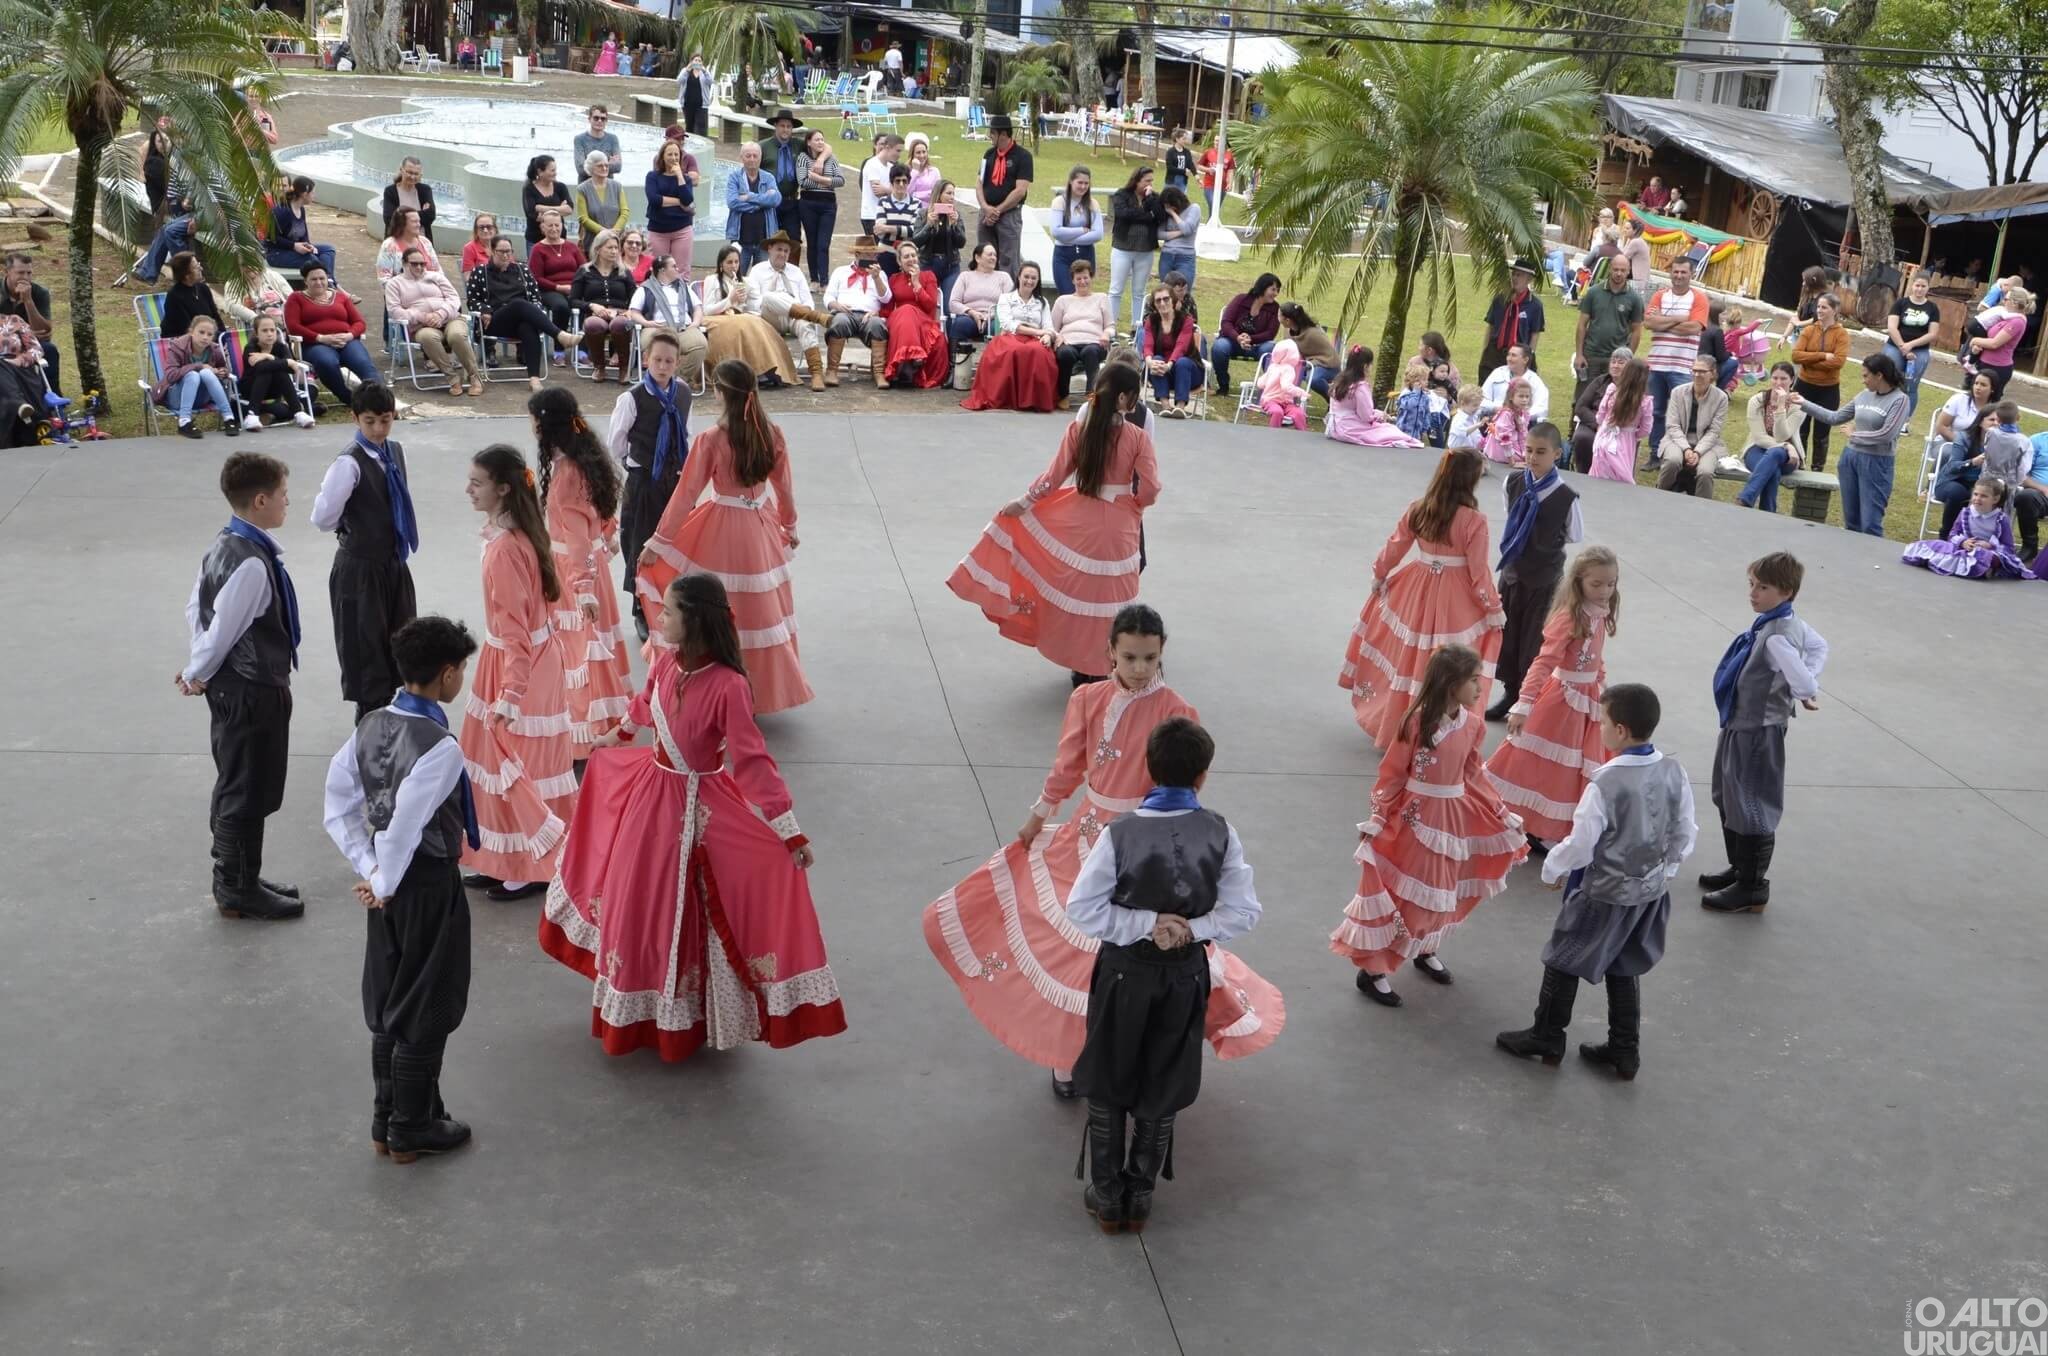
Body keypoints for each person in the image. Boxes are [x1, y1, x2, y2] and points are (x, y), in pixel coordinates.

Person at [921, 607, 1282, 1103]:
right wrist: (1038, 813)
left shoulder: (1177, 709)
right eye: (1130, 656)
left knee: (1122, 957)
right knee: (1069, 949)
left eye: (1150, 658)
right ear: (1110, 650)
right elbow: (1068, 764)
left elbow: (1182, 785)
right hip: (1085, 834)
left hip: (1143, 848)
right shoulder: (1087, 698)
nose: (1139, 667)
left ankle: (1126, 1055)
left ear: (1162, 653)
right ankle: (1065, 1056)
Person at [537, 572, 846, 1060]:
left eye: (669, 612)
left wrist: (787, 830)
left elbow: (752, 761)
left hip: (699, 804)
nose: (659, 619)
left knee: (694, 905)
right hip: (650, 799)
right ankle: (648, 1011)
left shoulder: (729, 686)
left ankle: (687, 1017)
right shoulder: (664, 663)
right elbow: (644, 707)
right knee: (641, 898)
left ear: (695, 618)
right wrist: (613, 737)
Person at [1065, 715, 1268, 1235]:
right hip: (1183, 977)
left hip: (1123, 973)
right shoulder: (1222, 831)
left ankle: (1106, 1193)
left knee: (1109, 1073)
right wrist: (1188, 928)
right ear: (1203, 776)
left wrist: (1144, 923)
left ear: (1148, 771)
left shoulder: (1120, 834)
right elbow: (1243, 912)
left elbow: (1082, 909)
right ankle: (1141, 1191)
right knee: (1166, 1074)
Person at [321, 614, 482, 1163]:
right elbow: (408, 825)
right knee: (428, 1000)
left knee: (390, 997)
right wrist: (384, 878)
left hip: (385, 888)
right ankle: (412, 1127)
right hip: (426, 884)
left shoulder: (368, 725)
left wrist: (370, 873)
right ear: (446, 675)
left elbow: (338, 805)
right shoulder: (440, 745)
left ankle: (386, 1117)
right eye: (461, 670)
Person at [1493, 682, 1692, 1081]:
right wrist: (1665, 869)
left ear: (1620, 730)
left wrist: (1553, 869)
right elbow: (1685, 829)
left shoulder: (1605, 783)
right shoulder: (1673, 770)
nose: (1598, 728)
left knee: (1563, 956)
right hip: (1649, 891)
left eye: (1602, 721)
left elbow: (1582, 842)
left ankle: (1548, 1034)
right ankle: (1624, 1050)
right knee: (1624, 963)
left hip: (1604, 892)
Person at [1333, 642, 1527, 1007]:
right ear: (1450, 683)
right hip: (1416, 820)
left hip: (1453, 818)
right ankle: (1373, 970)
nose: (1479, 687)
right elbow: (1391, 774)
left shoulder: (1472, 725)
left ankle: (1425, 948)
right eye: (1473, 680)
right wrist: (1378, 816)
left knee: (1444, 889)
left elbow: (1472, 772)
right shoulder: (1415, 721)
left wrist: (1500, 811)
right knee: (1409, 893)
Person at [948, 363, 1160, 680]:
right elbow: (1151, 487)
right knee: (1114, 598)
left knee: (1080, 594)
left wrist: (1024, 502)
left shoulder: (1079, 431)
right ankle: (1110, 665)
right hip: (1119, 525)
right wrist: (1136, 506)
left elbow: (1052, 478)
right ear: (1123, 399)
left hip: (1080, 520)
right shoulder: (1137, 438)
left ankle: (1080, 664)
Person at [635, 359, 813, 713]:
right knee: (757, 610)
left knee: (716, 606)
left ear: (719, 393)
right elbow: (785, 489)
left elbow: (685, 495)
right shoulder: (771, 433)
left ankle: (710, 693)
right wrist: (788, 526)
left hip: (720, 528)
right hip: (760, 528)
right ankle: (757, 692)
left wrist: (658, 542)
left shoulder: (712, 439)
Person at [178, 451, 301, 920]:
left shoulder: (223, 543)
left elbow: (198, 611)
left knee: (245, 781)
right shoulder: (250, 563)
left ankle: (244, 875)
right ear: (261, 499)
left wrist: (198, 666)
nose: (288, 504)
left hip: (236, 686)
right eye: (284, 497)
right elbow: (224, 628)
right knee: (247, 786)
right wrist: (196, 672)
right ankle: (235, 887)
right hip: (251, 688)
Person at [456, 445, 578, 900]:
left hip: (516, 665)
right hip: (526, 660)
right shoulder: (517, 533)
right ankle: (505, 856)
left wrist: (510, 694)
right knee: (504, 760)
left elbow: (515, 629)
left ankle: (530, 863)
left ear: (503, 489)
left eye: (476, 483)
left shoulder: (506, 548)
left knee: (515, 762)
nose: (468, 490)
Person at [1339, 450, 1505, 747]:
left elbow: (1395, 546)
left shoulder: (1419, 509)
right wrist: (1492, 607)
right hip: (1456, 597)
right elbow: (1479, 572)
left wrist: (1380, 574)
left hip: (1416, 586)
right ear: (1470, 481)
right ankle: (1438, 729)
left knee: (1410, 657)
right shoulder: (1474, 520)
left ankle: (1397, 725)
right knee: (1445, 659)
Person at [1699, 551, 1826, 914]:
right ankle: (1740, 869)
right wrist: (1805, 681)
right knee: (1727, 794)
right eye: (1751, 585)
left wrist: (1804, 689)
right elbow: (1819, 646)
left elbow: (1800, 672)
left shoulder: (1777, 637)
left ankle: (1753, 886)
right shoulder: (1784, 623)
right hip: (1740, 725)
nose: (1753, 593)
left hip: (1757, 730)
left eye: (1763, 587)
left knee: (1751, 801)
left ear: (1786, 592)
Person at [309, 382, 419, 724]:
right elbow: (323, 518)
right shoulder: (348, 464)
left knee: (401, 639)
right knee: (366, 647)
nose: (377, 429)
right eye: (369, 421)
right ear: (355, 418)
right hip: (360, 566)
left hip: (393, 561)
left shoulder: (394, 451)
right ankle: (370, 723)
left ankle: (394, 714)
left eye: (385, 420)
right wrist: (355, 522)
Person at [531, 387, 631, 758]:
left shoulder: (566, 474)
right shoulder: (584, 460)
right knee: (588, 647)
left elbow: (574, 537)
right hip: (591, 566)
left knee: (576, 652)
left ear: (544, 425)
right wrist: (607, 534)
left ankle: (580, 736)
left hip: (574, 571)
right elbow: (599, 511)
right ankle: (601, 724)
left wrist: (582, 587)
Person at [1484, 423, 1584, 715]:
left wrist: (1544, 541)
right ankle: (1510, 693)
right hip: (1513, 574)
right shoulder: (1512, 483)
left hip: (1544, 580)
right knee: (1509, 634)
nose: (1532, 457)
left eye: (1541, 452)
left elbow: (1573, 534)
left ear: (1556, 453)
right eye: (1528, 450)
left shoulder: (1565, 497)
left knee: (1535, 640)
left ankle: (1530, 700)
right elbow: (1510, 515)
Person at [606, 329, 692, 641]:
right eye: (657, 360)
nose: (662, 366)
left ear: (677, 363)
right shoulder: (632, 398)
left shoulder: (682, 393)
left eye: (669, 361)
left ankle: (675, 605)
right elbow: (616, 442)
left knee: (675, 544)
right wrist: (637, 464)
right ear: (646, 360)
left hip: (675, 482)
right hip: (643, 481)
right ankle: (640, 608)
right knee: (640, 545)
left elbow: (686, 431)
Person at [1800, 350, 1909, 536]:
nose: (1863, 380)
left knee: (1870, 523)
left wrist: (1855, 435)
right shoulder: (1863, 396)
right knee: (1851, 521)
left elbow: (1887, 434)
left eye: (1866, 376)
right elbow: (1835, 417)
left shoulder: (1900, 400)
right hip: (1850, 459)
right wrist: (1803, 403)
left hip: (1876, 463)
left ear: (1879, 375)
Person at [466, 236, 582, 392]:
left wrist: (534, 312)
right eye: (502, 252)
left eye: (509, 251)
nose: (506, 255)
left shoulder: (522, 269)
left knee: (528, 326)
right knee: (518, 304)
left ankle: (534, 379)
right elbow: (472, 300)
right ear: (492, 252)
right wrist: (484, 309)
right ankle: (559, 335)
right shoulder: (480, 271)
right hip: (494, 321)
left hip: (519, 320)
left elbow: (536, 298)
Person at [962, 262, 1060, 412]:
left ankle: (1034, 400)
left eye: (1034, 278)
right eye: (1026, 276)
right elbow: (1008, 324)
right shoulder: (1006, 298)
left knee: (1039, 352)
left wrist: (1047, 335)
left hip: (1035, 338)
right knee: (1015, 350)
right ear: (1019, 277)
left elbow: (1048, 327)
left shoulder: (1042, 302)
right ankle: (1010, 398)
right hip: (1011, 336)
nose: (1029, 281)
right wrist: (1038, 332)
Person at [384, 247, 483, 396]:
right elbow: (395, 311)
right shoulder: (394, 284)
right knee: (427, 337)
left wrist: (440, 314)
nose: (419, 267)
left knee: (457, 335)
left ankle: (475, 377)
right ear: (404, 263)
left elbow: (454, 298)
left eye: (422, 264)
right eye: (414, 264)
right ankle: (453, 379)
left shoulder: (436, 277)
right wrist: (421, 316)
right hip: (421, 325)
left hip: (449, 318)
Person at [698, 242, 799, 387]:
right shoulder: (712, 280)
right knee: (744, 325)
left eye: (736, 262)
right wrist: (729, 300)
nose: (733, 266)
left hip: (739, 318)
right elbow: (707, 310)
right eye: (729, 262)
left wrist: (747, 298)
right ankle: (748, 372)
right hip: (716, 319)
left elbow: (756, 306)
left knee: (758, 323)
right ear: (721, 264)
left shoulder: (744, 281)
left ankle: (766, 368)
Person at [744, 231, 831, 391]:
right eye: (779, 249)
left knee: (805, 325)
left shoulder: (795, 272)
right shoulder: (757, 270)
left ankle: (817, 373)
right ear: (769, 249)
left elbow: (808, 302)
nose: (782, 254)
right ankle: (817, 317)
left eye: (786, 251)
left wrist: (804, 311)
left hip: (795, 317)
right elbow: (754, 304)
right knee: (769, 297)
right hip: (769, 319)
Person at [1901, 478, 2033, 580]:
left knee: (1985, 556)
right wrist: (1963, 542)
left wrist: (1990, 546)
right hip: (1964, 548)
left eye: (1983, 496)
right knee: (1937, 545)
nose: (1977, 499)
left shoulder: (2001, 519)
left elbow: (2008, 548)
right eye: (1975, 494)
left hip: (1988, 552)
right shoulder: (1965, 513)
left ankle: (1983, 569)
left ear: (1996, 499)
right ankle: (1933, 560)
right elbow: (1952, 534)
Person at [1733, 363, 1810, 514]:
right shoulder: (1757, 400)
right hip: (1757, 449)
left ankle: (1744, 499)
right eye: (1775, 378)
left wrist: (1781, 406)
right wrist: (1786, 446)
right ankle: (1768, 514)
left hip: (1788, 458)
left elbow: (1783, 436)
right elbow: (1760, 438)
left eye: (1784, 379)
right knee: (1772, 471)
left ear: (1792, 380)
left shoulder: (1799, 405)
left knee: (1776, 454)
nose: (1778, 383)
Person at [1571, 253, 1641, 416]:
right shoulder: (1594, 292)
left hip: (1616, 360)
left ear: (1628, 271)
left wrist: (1628, 358)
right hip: (1591, 356)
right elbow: (1582, 325)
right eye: (1616, 269)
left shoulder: (1634, 298)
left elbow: (1637, 331)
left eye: (1623, 270)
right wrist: (1580, 354)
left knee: (1612, 398)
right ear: (1610, 269)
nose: (1618, 274)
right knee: (1582, 396)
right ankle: (1574, 434)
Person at [1654, 352, 1731, 498]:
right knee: (1672, 461)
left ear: (1713, 374)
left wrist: (1698, 452)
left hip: (1707, 443)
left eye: (1702, 371)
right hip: (1677, 439)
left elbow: (1714, 431)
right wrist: (1686, 449)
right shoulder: (1678, 392)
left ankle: (1702, 507)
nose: (1697, 375)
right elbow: (1673, 426)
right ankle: (1660, 495)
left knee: (1706, 472)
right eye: (1694, 370)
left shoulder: (1721, 398)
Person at [875, 240, 946, 390]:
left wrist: (917, 284)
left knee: (908, 310)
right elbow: (888, 309)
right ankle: (913, 358)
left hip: (923, 322)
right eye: (906, 257)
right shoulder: (894, 279)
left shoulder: (928, 276)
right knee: (906, 310)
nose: (911, 259)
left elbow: (930, 306)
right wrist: (875, 313)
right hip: (899, 321)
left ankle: (908, 363)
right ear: (899, 262)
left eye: (913, 255)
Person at [152, 313, 236, 438]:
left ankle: (229, 418)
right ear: (191, 332)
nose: (205, 337)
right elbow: (170, 376)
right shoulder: (177, 347)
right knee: (193, 375)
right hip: (177, 399)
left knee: (206, 373)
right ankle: (184, 422)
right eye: (201, 332)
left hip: (202, 398)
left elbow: (222, 367)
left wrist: (223, 372)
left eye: (209, 334)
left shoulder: (214, 349)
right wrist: (198, 366)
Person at [1791, 291, 1849, 471]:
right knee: (1801, 427)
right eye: (1818, 307)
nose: (1820, 310)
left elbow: (1838, 362)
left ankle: (1817, 468)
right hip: (1804, 385)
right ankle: (1799, 463)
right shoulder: (1809, 330)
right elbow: (1795, 356)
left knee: (1822, 432)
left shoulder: (1842, 334)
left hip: (1828, 389)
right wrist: (1822, 356)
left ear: (1835, 310)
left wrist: (1809, 360)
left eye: (1824, 307)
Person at [1106, 166, 1166, 338]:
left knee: (1139, 291)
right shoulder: (1122, 194)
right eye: (1146, 180)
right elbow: (1123, 214)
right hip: (1122, 247)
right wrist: (1148, 216)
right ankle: (1111, 326)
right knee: (1116, 289)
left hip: (1145, 250)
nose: (1150, 184)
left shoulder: (1154, 197)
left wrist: (1150, 201)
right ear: (1137, 180)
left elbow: (1161, 217)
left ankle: (1137, 326)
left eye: (1151, 181)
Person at [571, 231, 638, 382]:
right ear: (598, 249)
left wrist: (629, 311)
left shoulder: (624, 272)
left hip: (621, 314)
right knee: (593, 324)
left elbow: (636, 298)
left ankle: (624, 368)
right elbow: (573, 300)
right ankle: (599, 367)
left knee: (620, 324)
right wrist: (591, 305)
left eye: (616, 247)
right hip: (596, 314)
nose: (614, 251)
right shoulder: (584, 271)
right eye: (609, 248)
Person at [1324, 346, 1421, 448]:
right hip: (1350, 429)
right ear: (1365, 366)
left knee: (1387, 430)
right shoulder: (1360, 387)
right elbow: (1366, 416)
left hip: (1335, 427)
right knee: (1392, 432)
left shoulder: (1339, 381)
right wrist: (1379, 415)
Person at [1049, 256, 1113, 409]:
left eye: (1086, 277)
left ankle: (1091, 397)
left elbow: (1110, 326)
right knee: (1065, 354)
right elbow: (1051, 327)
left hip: (1094, 342)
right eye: (1078, 278)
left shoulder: (1101, 298)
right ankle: (1063, 395)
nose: (1082, 281)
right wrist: (1058, 336)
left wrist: (1106, 334)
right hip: (1069, 341)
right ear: (1073, 280)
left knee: (1091, 352)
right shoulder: (1063, 301)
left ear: (1091, 277)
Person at [977, 116, 1034, 282]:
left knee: (1008, 259)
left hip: (1009, 214)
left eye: (993, 132)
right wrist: (985, 207)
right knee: (985, 255)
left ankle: (1007, 295)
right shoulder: (988, 154)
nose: (990, 136)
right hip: (986, 212)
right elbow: (979, 183)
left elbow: (1020, 190)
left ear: (1003, 134)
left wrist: (998, 210)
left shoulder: (1023, 157)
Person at [822, 249, 891, 383]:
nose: (872, 258)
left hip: (869, 316)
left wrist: (876, 278)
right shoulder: (841, 271)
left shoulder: (880, 274)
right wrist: (837, 305)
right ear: (857, 254)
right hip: (846, 313)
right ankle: (831, 370)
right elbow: (828, 296)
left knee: (877, 325)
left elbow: (886, 299)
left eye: (874, 254)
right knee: (839, 322)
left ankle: (878, 373)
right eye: (868, 254)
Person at [237, 314, 313, 430]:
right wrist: (285, 361)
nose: (269, 333)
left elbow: (292, 370)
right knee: (268, 370)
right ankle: (252, 415)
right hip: (251, 389)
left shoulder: (281, 347)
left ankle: (298, 413)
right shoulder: (250, 348)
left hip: (274, 391)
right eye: (264, 330)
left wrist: (269, 357)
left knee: (279, 371)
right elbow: (261, 368)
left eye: (272, 330)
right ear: (256, 333)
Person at [1586, 354, 1653, 484]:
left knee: (1599, 471)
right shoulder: (1645, 401)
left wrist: (1604, 424)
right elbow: (1646, 429)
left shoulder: (1612, 391)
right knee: (1621, 475)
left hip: (1604, 437)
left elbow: (1600, 414)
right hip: (1625, 441)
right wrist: (1634, 434)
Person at [1139, 284, 1202, 417]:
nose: (1163, 303)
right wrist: (1149, 362)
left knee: (1183, 362)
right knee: (1156, 360)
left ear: (1173, 300)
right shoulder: (1151, 321)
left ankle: (1180, 406)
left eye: (1166, 299)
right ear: (1154, 304)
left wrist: (1170, 364)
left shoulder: (1186, 319)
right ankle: (1165, 405)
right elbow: (1148, 345)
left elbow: (1181, 346)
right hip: (1161, 371)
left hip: (1188, 372)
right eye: (1158, 300)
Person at [1210, 273, 1280, 392]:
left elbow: (1270, 333)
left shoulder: (1274, 308)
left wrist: (1250, 339)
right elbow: (1226, 322)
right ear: (1263, 287)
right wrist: (1238, 338)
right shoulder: (1241, 299)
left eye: (1278, 290)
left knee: (1270, 348)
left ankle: (1268, 389)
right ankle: (1223, 384)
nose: (1276, 293)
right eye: (1273, 289)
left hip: (1257, 345)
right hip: (1233, 342)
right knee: (1219, 347)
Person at [1962, 286, 2035, 399]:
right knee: (1974, 399)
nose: (2003, 301)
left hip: (1997, 367)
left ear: (2015, 303)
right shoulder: (2006, 317)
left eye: (2006, 299)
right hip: (1984, 363)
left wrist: (1975, 340)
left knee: (1989, 404)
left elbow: (1995, 343)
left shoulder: (2017, 322)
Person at [1881, 273, 1938, 414]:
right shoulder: (1900, 303)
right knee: (1889, 380)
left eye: (1923, 286)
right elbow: (1892, 327)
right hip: (1896, 346)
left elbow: (1932, 333)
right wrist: (1903, 347)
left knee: (1911, 386)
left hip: (1919, 350)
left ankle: (1905, 419)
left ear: (1928, 288)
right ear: (1912, 285)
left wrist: (1911, 345)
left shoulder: (1932, 308)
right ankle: (1883, 411)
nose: (1919, 289)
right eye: (1917, 285)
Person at [1478, 259, 1545, 377]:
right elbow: (1491, 325)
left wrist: (1529, 356)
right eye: (1513, 274)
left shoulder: (1535, 305)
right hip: (1495, 353)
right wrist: (1485, 350)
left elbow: (1535, 334)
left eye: (1519, 275)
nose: (1515, 278)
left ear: (1529, 279)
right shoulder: (1500, 299)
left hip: (1519, 354)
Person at [795, 128, 844, 286]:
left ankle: (824, 279)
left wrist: (818, 178)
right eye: (816, 139)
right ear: (809, 142)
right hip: (808, 203)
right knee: (812, 242)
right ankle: (814, 278)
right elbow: (803, 181)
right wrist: (828, 181)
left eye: (822, 139)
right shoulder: (803, 158)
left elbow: (841, 180)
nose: (820, 142)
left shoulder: (831, 158)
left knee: (823, 244)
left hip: (828, 204)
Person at [266, 176, 338, 283]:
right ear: (305, 194)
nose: (314, 196)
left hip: (294, 250)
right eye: (312, 193)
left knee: (328, 249)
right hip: (277, 254)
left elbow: (303, 234)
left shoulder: (301, 210)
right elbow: (271, 238)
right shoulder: (283, 211)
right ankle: (330, 284)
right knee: (312, 259)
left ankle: (329, 282)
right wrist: (293, 246)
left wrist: (308, 245)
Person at [1048, 166, 1104, 297]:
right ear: (1071, 182)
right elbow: (1056, 231)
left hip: (1086, 253)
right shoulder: (1059, 202)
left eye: (1086, 183)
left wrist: (1068, 238)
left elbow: (1098, 234)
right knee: (1067, 295)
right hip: (1063, 255)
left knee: (1084, 294)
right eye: (1080, 182)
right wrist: (1082, 230)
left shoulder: (1092, 203)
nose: (1083, 186)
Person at [526, 207, 585, 334]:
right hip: (549, 290)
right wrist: (559, 287)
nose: (554, 229)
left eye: (557, 225)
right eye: (550, 225)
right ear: (542, 228)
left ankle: (582, 346)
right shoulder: (538, 249)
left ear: (562, 226)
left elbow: (584, 270)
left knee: (585, 304)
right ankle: (560, 343)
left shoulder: (571, 247)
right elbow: (536, 278)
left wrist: (576, 286)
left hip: (574, 288)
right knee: (561, 307)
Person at [644, 139, 698, 276]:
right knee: (658, 270)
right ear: (662, 156)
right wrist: (678, 202)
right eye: (670, 154)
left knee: (681, 271)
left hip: (682, 230)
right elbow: (654, 199)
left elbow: (687, 200)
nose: (673, 158)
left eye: (676, 155)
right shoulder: (652, 177)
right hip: (658, 230)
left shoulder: (686, 179)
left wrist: (680, 176)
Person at [726, 144, 782, 275]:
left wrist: (749, 197)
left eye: (755, 156)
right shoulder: (734, 177)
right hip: (740, 240)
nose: (752, 159)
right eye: (748, 156)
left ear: (760, 157)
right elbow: (732, 202)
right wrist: (762, 202)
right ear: (741, 158)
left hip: (764, 240)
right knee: (736, 278)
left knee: (762, 280)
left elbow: (776, 200)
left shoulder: (768, 177)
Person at [917, 182, 968, 322]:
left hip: (950, 265)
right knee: (927, 304)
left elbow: (961, 243)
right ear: (939, 194)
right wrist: (928, 225)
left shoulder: (956, 216)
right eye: (948, 193)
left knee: (950, 306)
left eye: (953, 194)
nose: (952, 197)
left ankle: (951, 341)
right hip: (928, 264)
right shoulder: (923, 214)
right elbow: (916, 241)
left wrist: (954, 226)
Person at [945, 241, 1010, 346]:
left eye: (995, 255)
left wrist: (990, 316)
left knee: (998, 329)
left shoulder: (1003, 277)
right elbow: (953, 303)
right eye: (990, 254)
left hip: (993, 318)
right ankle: (952, 360)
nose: (993, 257)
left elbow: (1010, 303)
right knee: (960, 324)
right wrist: (972, 313)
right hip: (969, 317)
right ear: (977, 258)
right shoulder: (965, 276)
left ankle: (997, 360)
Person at [758, 108, 806, 241]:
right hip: (770, 202)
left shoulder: (799, 145)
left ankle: (791, 263)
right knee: (769, 239)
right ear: (775, 126)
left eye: (789, 126)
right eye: (782, 126)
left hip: (791, 201)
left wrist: (820, 160)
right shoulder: (763, 147)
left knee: (794, 239)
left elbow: (822, 146)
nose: (785, 130)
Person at [158, 252, 223, 348]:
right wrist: (214, 339)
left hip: (206, 338)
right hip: (182, 345)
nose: (201, 268)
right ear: (186, 275)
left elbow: (215, 317)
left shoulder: (203, 289)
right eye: (196, 267)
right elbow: (188, 328)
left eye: (199, 265)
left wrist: (223, 337)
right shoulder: (175, 296)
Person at [1278, 302, 1339, 398]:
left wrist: (1310, 364)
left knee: (1313, 379)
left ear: (1287, 320)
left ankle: (1334, 402)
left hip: (1327, 365)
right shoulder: (1288, 331)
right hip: (1305, 364)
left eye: (1279, 315)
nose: (1278, 318)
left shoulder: (1313, 333)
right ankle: (1282, 398)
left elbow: (1331, 356)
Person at [871, 163, 926, 271]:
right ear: (892, 182)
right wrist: (902, 230)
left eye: (904, 181)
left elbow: (914, 231)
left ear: (908, 182)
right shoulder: (883, 202)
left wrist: (889, 228)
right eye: (897, 181)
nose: (901, 184)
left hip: (907, 257)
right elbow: (880, 232)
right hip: (885, 254)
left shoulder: (916, 203)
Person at [574, 152, 628, 253]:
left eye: (606, 165)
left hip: (616, 240)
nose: (604, 168)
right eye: (600, 166)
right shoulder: (582, 189)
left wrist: (614, 232)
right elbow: (583, 218)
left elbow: (624, 212)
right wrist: (604, 232)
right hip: (593, 242)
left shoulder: (617, 186)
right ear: (591, 168)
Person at [381, 157, 438, 252]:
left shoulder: (425, 190)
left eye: (416, 174)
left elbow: (430, 215)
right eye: (409, 172)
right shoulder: (390, 191)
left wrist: (401, 216)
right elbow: (389, 219)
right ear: (401, 170)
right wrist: (420, 214)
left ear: (421, 175)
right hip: (397, 247)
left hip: (421, 247)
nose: (412, 177)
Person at [520, 156, 574, 252]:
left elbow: (569, 209)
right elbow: (533, 214)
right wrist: (560, 209)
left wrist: (541, 208)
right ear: (540, 172)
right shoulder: (529, 189)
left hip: (558, 238)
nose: (555, 173)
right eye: (552, 170)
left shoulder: (560, 187)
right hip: (535, 239)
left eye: (555, 170)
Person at [1256, 337, 1311, 431]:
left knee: (1280, 412)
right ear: (1293, 355)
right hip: (1273, 401)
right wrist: (1302, 393)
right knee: (1297, 414)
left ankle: (1274, 433)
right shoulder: (1289, 369)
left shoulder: (1272, 366)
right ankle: (1302, 434)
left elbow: (1260, 384)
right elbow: (1286, 387)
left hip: (1277, 401)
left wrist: (1268, 383)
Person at [1391, 359, 1450, 446]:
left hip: (1417, 430)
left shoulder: (1424, 396)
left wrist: (1425, 425)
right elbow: (1410, 406)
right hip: (1405, 429)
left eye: (1427, 379)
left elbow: (1426, 410)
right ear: (1415, 381)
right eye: (1424, 380)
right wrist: (1416, 392)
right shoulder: (1406, 394)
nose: (1427, 382)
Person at [376, 207, 441, 281]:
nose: (419, 225)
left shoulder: (425, 242)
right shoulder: (389, 245)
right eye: (414, 221)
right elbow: (384, 278)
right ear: (402, 224)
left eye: (419, 221)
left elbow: (438, 271)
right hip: (401, 290)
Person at [1481, 379, 1533, 466]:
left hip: (1515, 443)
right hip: (1501, 449)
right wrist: (1512, 462)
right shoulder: (1506, 414)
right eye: (1521, 396)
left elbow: (1523, 434)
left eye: (1527, 397)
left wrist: (1525, 452)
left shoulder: (1524, 413)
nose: (1524, 400)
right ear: (1511, 397)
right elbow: (1505, 438)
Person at [857, 133, 902, 236]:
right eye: (898, 150)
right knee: (877, 250)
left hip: (887, 216)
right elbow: (878, 192)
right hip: (872, 216)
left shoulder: (891, 167)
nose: (899, 154)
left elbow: (900, 193)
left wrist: (889, 191)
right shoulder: (872, 164)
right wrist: (892, 191)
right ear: (888, 147)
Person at [1156, 186, 1200, 287]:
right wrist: (1181, 232)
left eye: (1171, 206)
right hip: (1167, 255)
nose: (1169, 209)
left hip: (1185, 256)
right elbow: (1159, 234)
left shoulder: (1194, 209)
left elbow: (1187, 229)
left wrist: (1173, 213)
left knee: (1183, 290)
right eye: (1167, 207)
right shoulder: (1166, 213)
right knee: (1166, 290)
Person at [572, 105, 622, 183]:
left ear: (606, 121)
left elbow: (618, 167)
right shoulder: (579, 139)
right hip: (586, 188)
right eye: (596, 118)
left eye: (603, 118)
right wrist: (608, 164)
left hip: (607, 187)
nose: (599, 121)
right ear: (589, 119)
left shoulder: (613, 139)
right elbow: (580, 169)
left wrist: (590, 166)